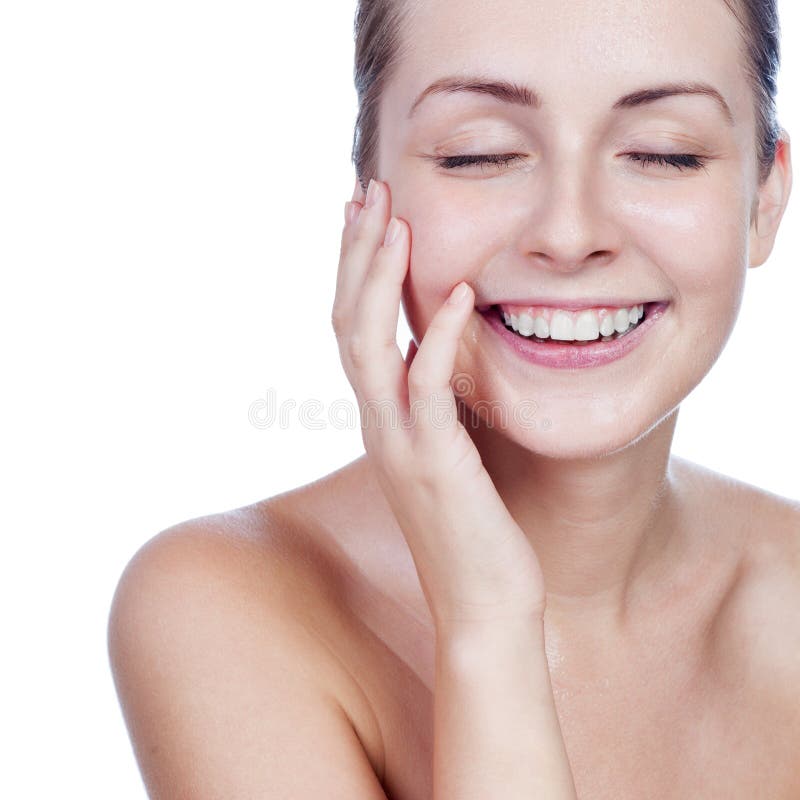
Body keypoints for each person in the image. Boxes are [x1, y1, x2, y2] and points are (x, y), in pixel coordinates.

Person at [108, 0, 799, 797]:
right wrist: (490, 622)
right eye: (481, 154)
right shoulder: (222, 606)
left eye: (662, 154)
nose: (570, 234)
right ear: (370, 195)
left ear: (765, 198)